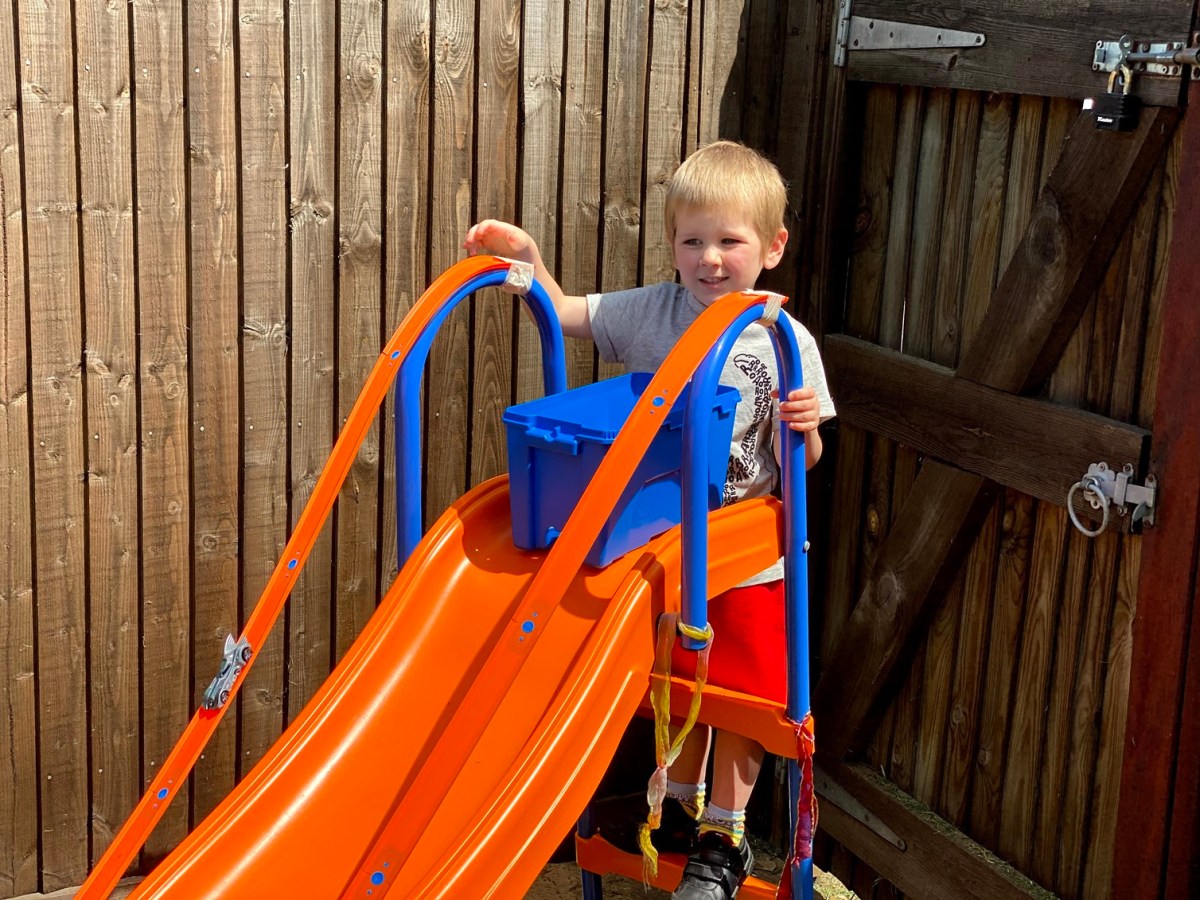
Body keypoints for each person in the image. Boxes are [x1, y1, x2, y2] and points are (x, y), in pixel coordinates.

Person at [464, 140, 835, 900]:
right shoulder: (652, 313)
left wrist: (807, 431)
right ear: (672, 245)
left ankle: (725, 838)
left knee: (747, 699)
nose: (708, 259)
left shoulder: (783, 340)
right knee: (680, 685)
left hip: (748, 552)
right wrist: (528, 261)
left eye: (729, 241)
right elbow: (565, 313)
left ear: (771, 247)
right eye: (691, 241)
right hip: (665, 552)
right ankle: (680, 809)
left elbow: (805, 462)